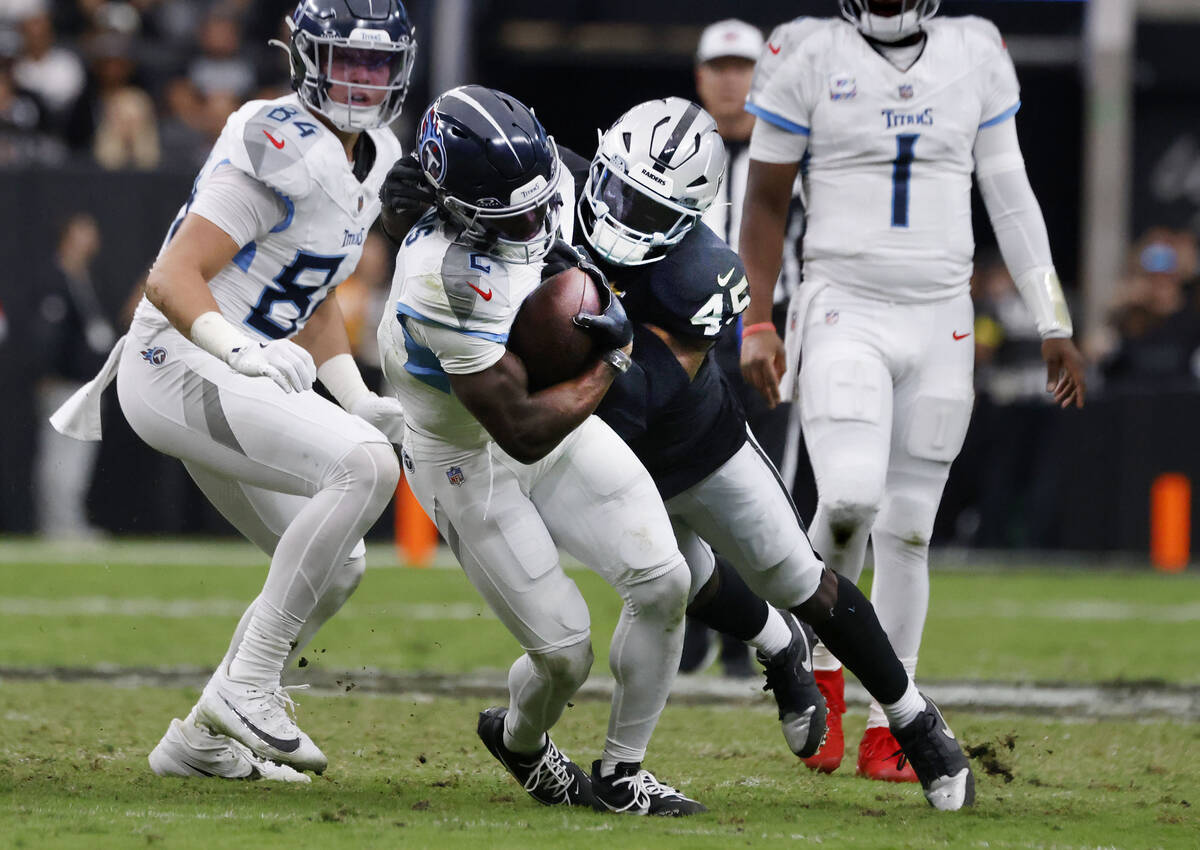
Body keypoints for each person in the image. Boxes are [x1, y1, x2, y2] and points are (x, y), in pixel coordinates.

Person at [564, 95, 974, 811]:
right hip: (612, 451)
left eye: (651, 209)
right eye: (620, 191)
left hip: (700, 445)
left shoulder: (703, 273)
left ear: (690, 217)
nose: (624, 216)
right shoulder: (557, 189)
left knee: (802, 583)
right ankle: (774, 648)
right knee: (669, 583)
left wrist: (594, 340)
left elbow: (645, 395)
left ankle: (914, 717)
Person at [51, 0, 417, 781]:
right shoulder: (278, 139)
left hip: (236, 368)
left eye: (375, 66)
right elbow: (173, 276)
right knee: (366, 468)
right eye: (346, 63)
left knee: (341, 561)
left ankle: (200, 740)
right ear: (306, 60)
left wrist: (355, 397)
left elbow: (308, 292)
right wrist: (240, 349)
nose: (360, 82)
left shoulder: (374, 155)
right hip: (178, 359)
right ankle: (249, 686)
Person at [738, 0, 1087, 782]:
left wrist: (1051, 316)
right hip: (842, 301)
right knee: (852, 498)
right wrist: (756, 318)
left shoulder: (974, 49)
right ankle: (820, 660)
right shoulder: (805, 50)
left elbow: (1010, 192)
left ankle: (888, 723)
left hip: (942, 314)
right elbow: (763, 201)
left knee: (911, 530)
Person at [376, 85, 704, 816]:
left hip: (553, 418)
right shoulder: (440, 278)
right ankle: (522, 743)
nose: (534, 218)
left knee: (663, 583)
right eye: (511, 212)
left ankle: (623, 776)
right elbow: (521, 428)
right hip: (467, 453)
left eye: (538, 199)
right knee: (564, 655)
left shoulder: (542, 173)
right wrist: (611, 361)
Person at [680, 17, 808, 679]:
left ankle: (750, 638)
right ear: (701, 77)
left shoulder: (789, 149)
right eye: (720, 68)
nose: (732, 80)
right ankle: (695, 628)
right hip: (689, 335)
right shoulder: (672, 146)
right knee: (683, 482)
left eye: (743, 68)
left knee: (765, 488)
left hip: (767, 330)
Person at [35, 213, 115, 540]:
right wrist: (48, 371)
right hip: (63, 384)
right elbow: (46, 334)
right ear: (68, 236)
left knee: (77, 460)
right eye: (83, 231)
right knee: (59, 458)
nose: (91, 237)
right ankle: (57, 526)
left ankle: (69, 523)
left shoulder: (86, 278)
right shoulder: (55, 279)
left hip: (87, 385)